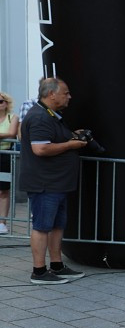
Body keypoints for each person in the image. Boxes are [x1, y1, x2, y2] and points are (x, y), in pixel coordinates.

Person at [19, 78, 88, 285]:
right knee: (42, 226)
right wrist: (70, 145)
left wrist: (70, 136)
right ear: (51, 94)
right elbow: (40, 148)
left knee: (57, 226)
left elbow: (52, 140)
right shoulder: (40, 117)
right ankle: (39, 272)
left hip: (57, 183)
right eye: (65, 93)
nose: (69, 96)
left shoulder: (52, 116)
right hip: (45, 183)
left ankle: (57, 265)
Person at [0, 92, 20, 234]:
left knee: (3, 190)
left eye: (0, 101)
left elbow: (12, 133)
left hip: (5, 156)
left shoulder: (12, 117)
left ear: (6, 103)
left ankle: (2, 222)